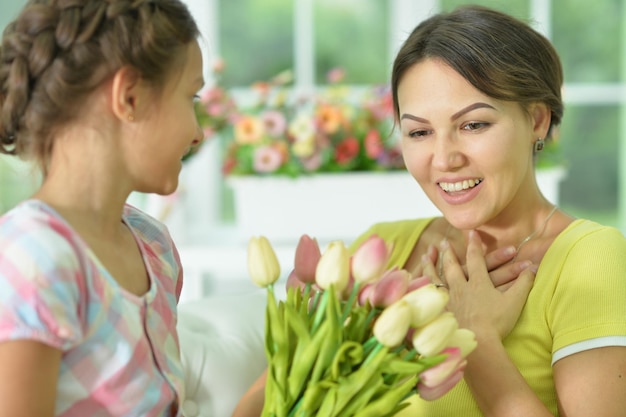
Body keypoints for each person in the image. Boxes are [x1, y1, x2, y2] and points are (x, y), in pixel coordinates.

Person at [232, 5, 626, 417]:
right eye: (419, 132)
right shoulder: (382, 250)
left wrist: (475, 339)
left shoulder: (589, 258)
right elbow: (260, 407)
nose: (443, 159)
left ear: (537, 121)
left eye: (473, 125)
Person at [0, 0, 204, 415]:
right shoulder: (30, 258)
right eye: (191, 97)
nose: (198, 133)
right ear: (129, 97)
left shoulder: (154, 247)